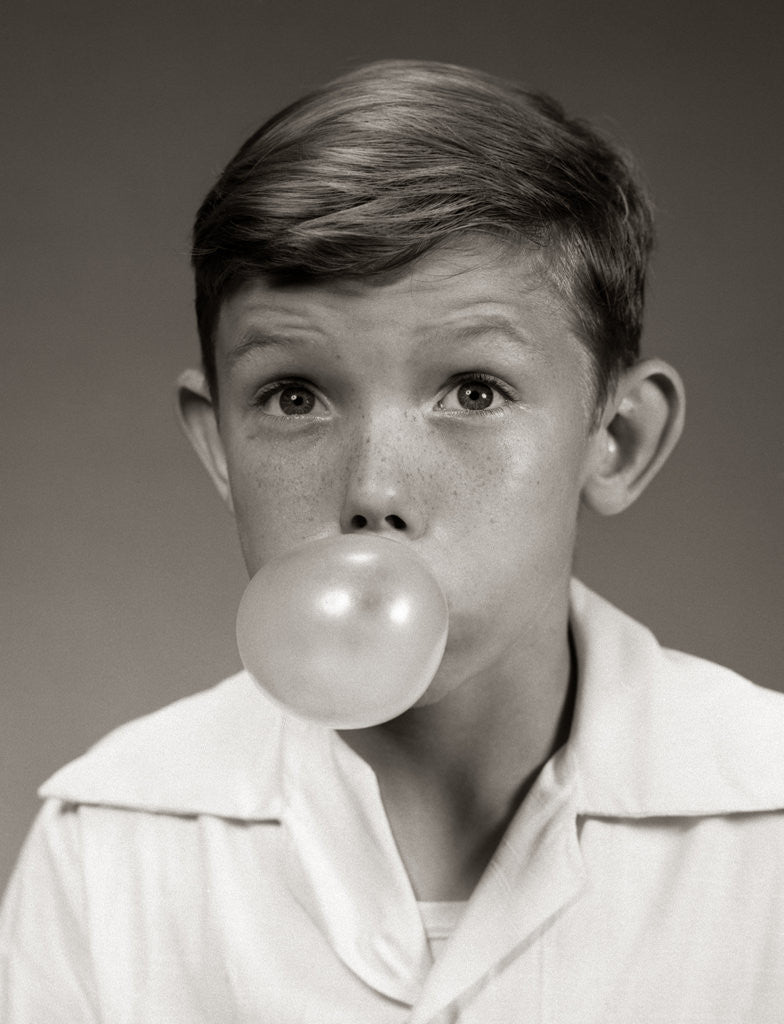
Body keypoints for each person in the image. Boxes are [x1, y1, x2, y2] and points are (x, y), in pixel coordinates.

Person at [2, 59, 783, 1023]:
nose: (375, 492)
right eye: (295, 397)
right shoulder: (110, 845)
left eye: (475, 391)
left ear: (614, 439)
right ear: (219, 446)